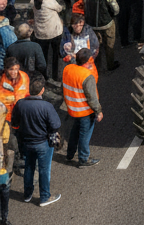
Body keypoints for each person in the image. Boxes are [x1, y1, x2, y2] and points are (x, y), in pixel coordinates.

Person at [11, 71, 60, 209]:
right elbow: (56, 125)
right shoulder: (46, 106)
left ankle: (27, 194)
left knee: (29, 167)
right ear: (42, 90)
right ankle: (45, 197)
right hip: (43, 143)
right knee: (44, 170)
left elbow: (15, 122)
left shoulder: (20, 104)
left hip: (27, 142)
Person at [61, 47, 102, 167]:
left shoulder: (68, 69)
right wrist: (98, 111)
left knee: (75, 131)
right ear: (88, 61)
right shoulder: (87, 76)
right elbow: (92, 97)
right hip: (85, 111)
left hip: (73, 108)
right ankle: (83, 159)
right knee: (84, 135)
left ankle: (70, 154)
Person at [81, 0, 119, 72]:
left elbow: (86, 8)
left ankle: (97, 66)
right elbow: (116, 9)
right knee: (109, 44)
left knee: (96, 45)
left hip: (92, 24)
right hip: (107, 23)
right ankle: (110, 65)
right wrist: (113, 15)